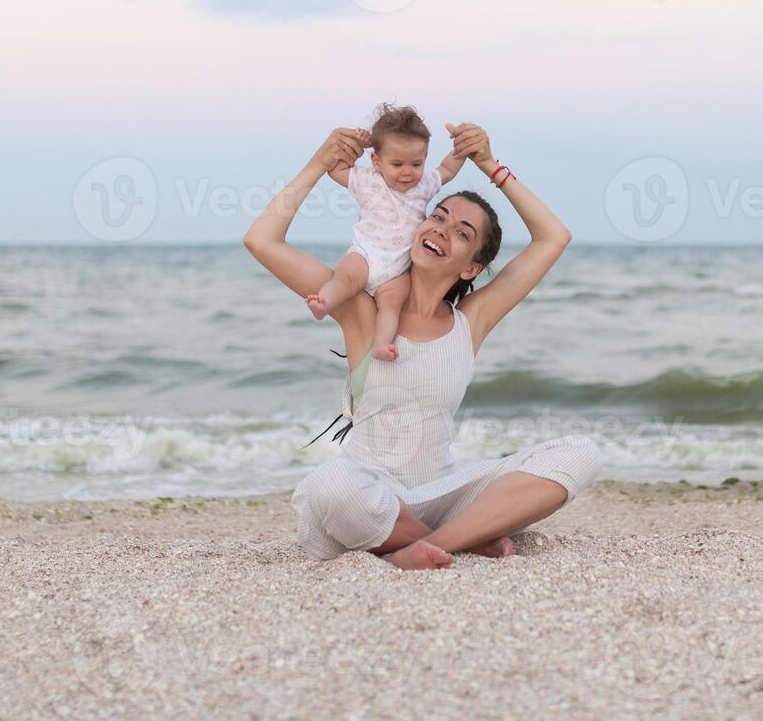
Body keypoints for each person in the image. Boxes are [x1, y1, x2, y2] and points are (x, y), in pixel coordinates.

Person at [243, 121, 601, 570]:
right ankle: (459, 540)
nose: (441, 229)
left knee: (581, 452)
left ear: (471, 268)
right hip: (370, 491)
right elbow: (261, 240)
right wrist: (319, 163)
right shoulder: (362, 309)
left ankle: (429, 542)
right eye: (438, 216)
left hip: (443, 493)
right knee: (328, 484)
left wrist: (490, 165)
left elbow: (554, 237)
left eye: (462, 233)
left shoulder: (472, 320)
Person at [305, 103, 467, 363]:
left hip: (398, 269)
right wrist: (355, 145)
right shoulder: (368, 180)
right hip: (365, 255)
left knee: (391, 306)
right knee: (344, 279)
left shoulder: (424, 185)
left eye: (416, 163)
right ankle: (324, 302)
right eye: (397, 163)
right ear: (377, 161)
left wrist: (463, 146)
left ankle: (382, 345)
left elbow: (447, 169)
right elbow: (334, 169)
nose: (407, 172)